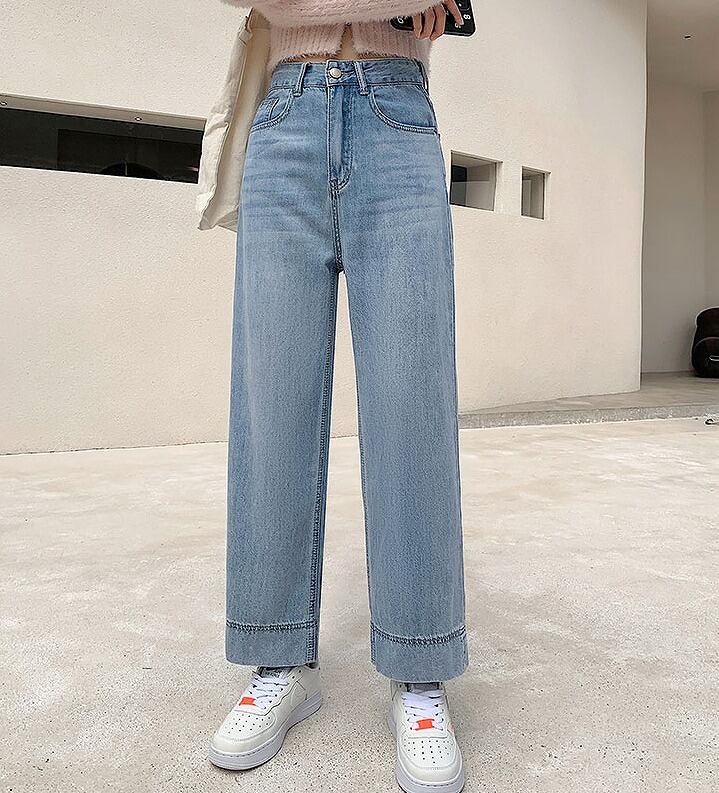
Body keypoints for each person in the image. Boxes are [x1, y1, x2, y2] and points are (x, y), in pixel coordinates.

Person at [208, 2, 469, 791]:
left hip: (397, 116)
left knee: (411, 404)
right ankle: (278, 659)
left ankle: (418, 667)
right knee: (272, 400)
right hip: (284, 117)